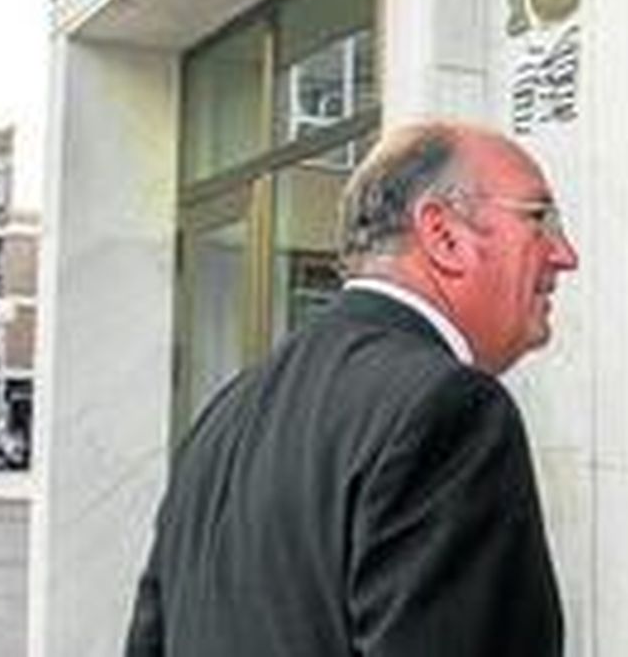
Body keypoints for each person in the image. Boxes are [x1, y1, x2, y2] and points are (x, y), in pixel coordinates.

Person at [125, 121, 579, 656]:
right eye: (539, 219)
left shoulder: (225, 414)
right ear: (444, 234)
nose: (564, 254)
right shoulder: (449, 412)